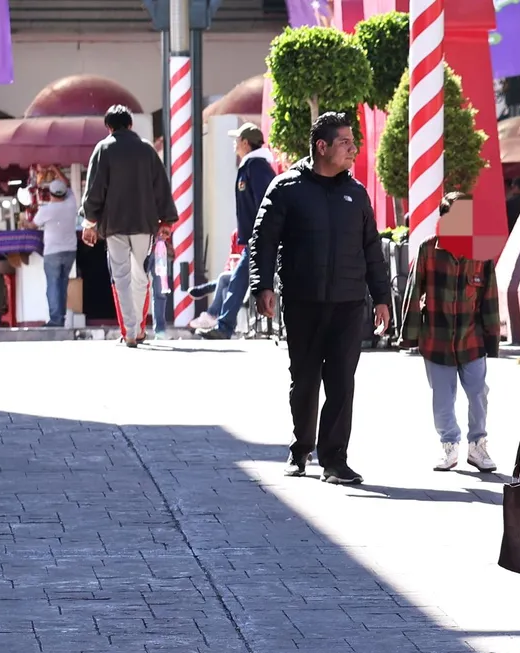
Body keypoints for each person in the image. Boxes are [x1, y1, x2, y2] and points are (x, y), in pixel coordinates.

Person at [249, 111, 392, 485]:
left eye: (353, 142)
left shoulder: (355, 193)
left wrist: (382, 297)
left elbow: (372, 249)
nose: (353, 149)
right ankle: (301, 449)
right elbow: (263, 241)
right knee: (305, 380)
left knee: (342, 382)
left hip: (349, 303)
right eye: (345, 142)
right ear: (322, 146)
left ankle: (335, 460)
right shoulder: (286, 188)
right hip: (303, 302)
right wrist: (262, 287)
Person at [401, 192, 499, 473]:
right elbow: (414, 291)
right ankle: (449, 444)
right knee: (442, 398)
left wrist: (491, 339)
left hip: (472, 339)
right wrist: (410, 335)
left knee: (479, 393)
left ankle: (477, 445)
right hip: (437, 338)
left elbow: (489, 297)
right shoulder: (428, 249)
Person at [80, 104, 178, 348]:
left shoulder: (103, 149)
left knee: (121, 278)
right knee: (140, 277)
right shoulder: (147, 149)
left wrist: (90, 223)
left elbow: (94, 190)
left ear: (109, 127)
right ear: (130, 124)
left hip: (114, 226)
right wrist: (166, 220)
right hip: (144, 224)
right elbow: (161, 186)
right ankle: (140, 328)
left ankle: (130, 331)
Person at [194, 123, 276, 340]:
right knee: (238, 280)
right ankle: (224, 325)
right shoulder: (251, 166)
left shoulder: (257, 167)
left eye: (237, 140)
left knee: (239, 280)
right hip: (255, 238)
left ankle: (224, 326)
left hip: (261, 237)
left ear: (246, 143)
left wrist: (263, 232)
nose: (234, 144)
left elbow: (265, 203)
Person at [32, 180, 79, 327]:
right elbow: (67, 184)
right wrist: (55, 170)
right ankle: (61, 318)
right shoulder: (71, 204)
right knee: (62, 285)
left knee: (53, 286)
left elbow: (33, 225)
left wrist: (24, 224)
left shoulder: (46, 210)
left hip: (52, 252)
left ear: (50, 194)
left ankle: (55, 320)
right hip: (70, 251)